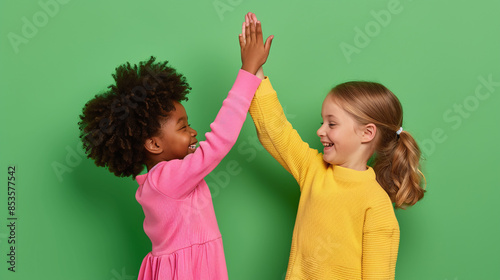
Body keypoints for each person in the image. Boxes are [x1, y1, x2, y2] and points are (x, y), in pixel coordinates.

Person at [78, 20, 273, 279]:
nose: (193, 132)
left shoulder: (157, 182)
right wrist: (248, 72)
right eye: (182, 127)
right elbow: (219, 141)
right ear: (154, 144)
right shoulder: (166, 180)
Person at [243, 12, 425, 280]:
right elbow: (274, 129)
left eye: (332, 124)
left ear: (367, 133)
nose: (320, 131)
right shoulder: (313, 170)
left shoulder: (377, 206)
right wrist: (254, 69)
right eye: (322, 121)